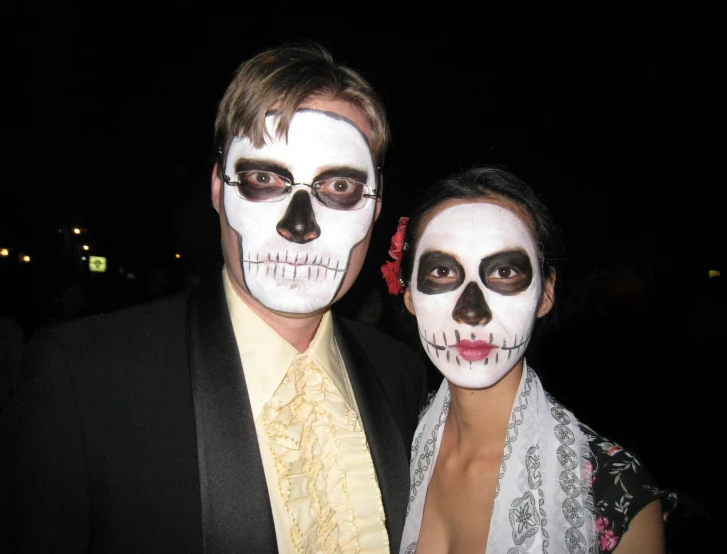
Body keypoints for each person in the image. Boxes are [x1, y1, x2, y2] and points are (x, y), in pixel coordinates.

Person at [0, 42, 428, 553]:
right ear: (219, 190)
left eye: (337, 185)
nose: (298, 226)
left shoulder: (400, 374)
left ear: (376, 206)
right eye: (264, 178)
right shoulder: (84, 380)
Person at [380, 167, 674, 553]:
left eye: (504, 271)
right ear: (409, 295)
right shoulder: (390, 447)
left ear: (546, 293)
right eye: (442, 270)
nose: (472, 312)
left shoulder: (613, 494)